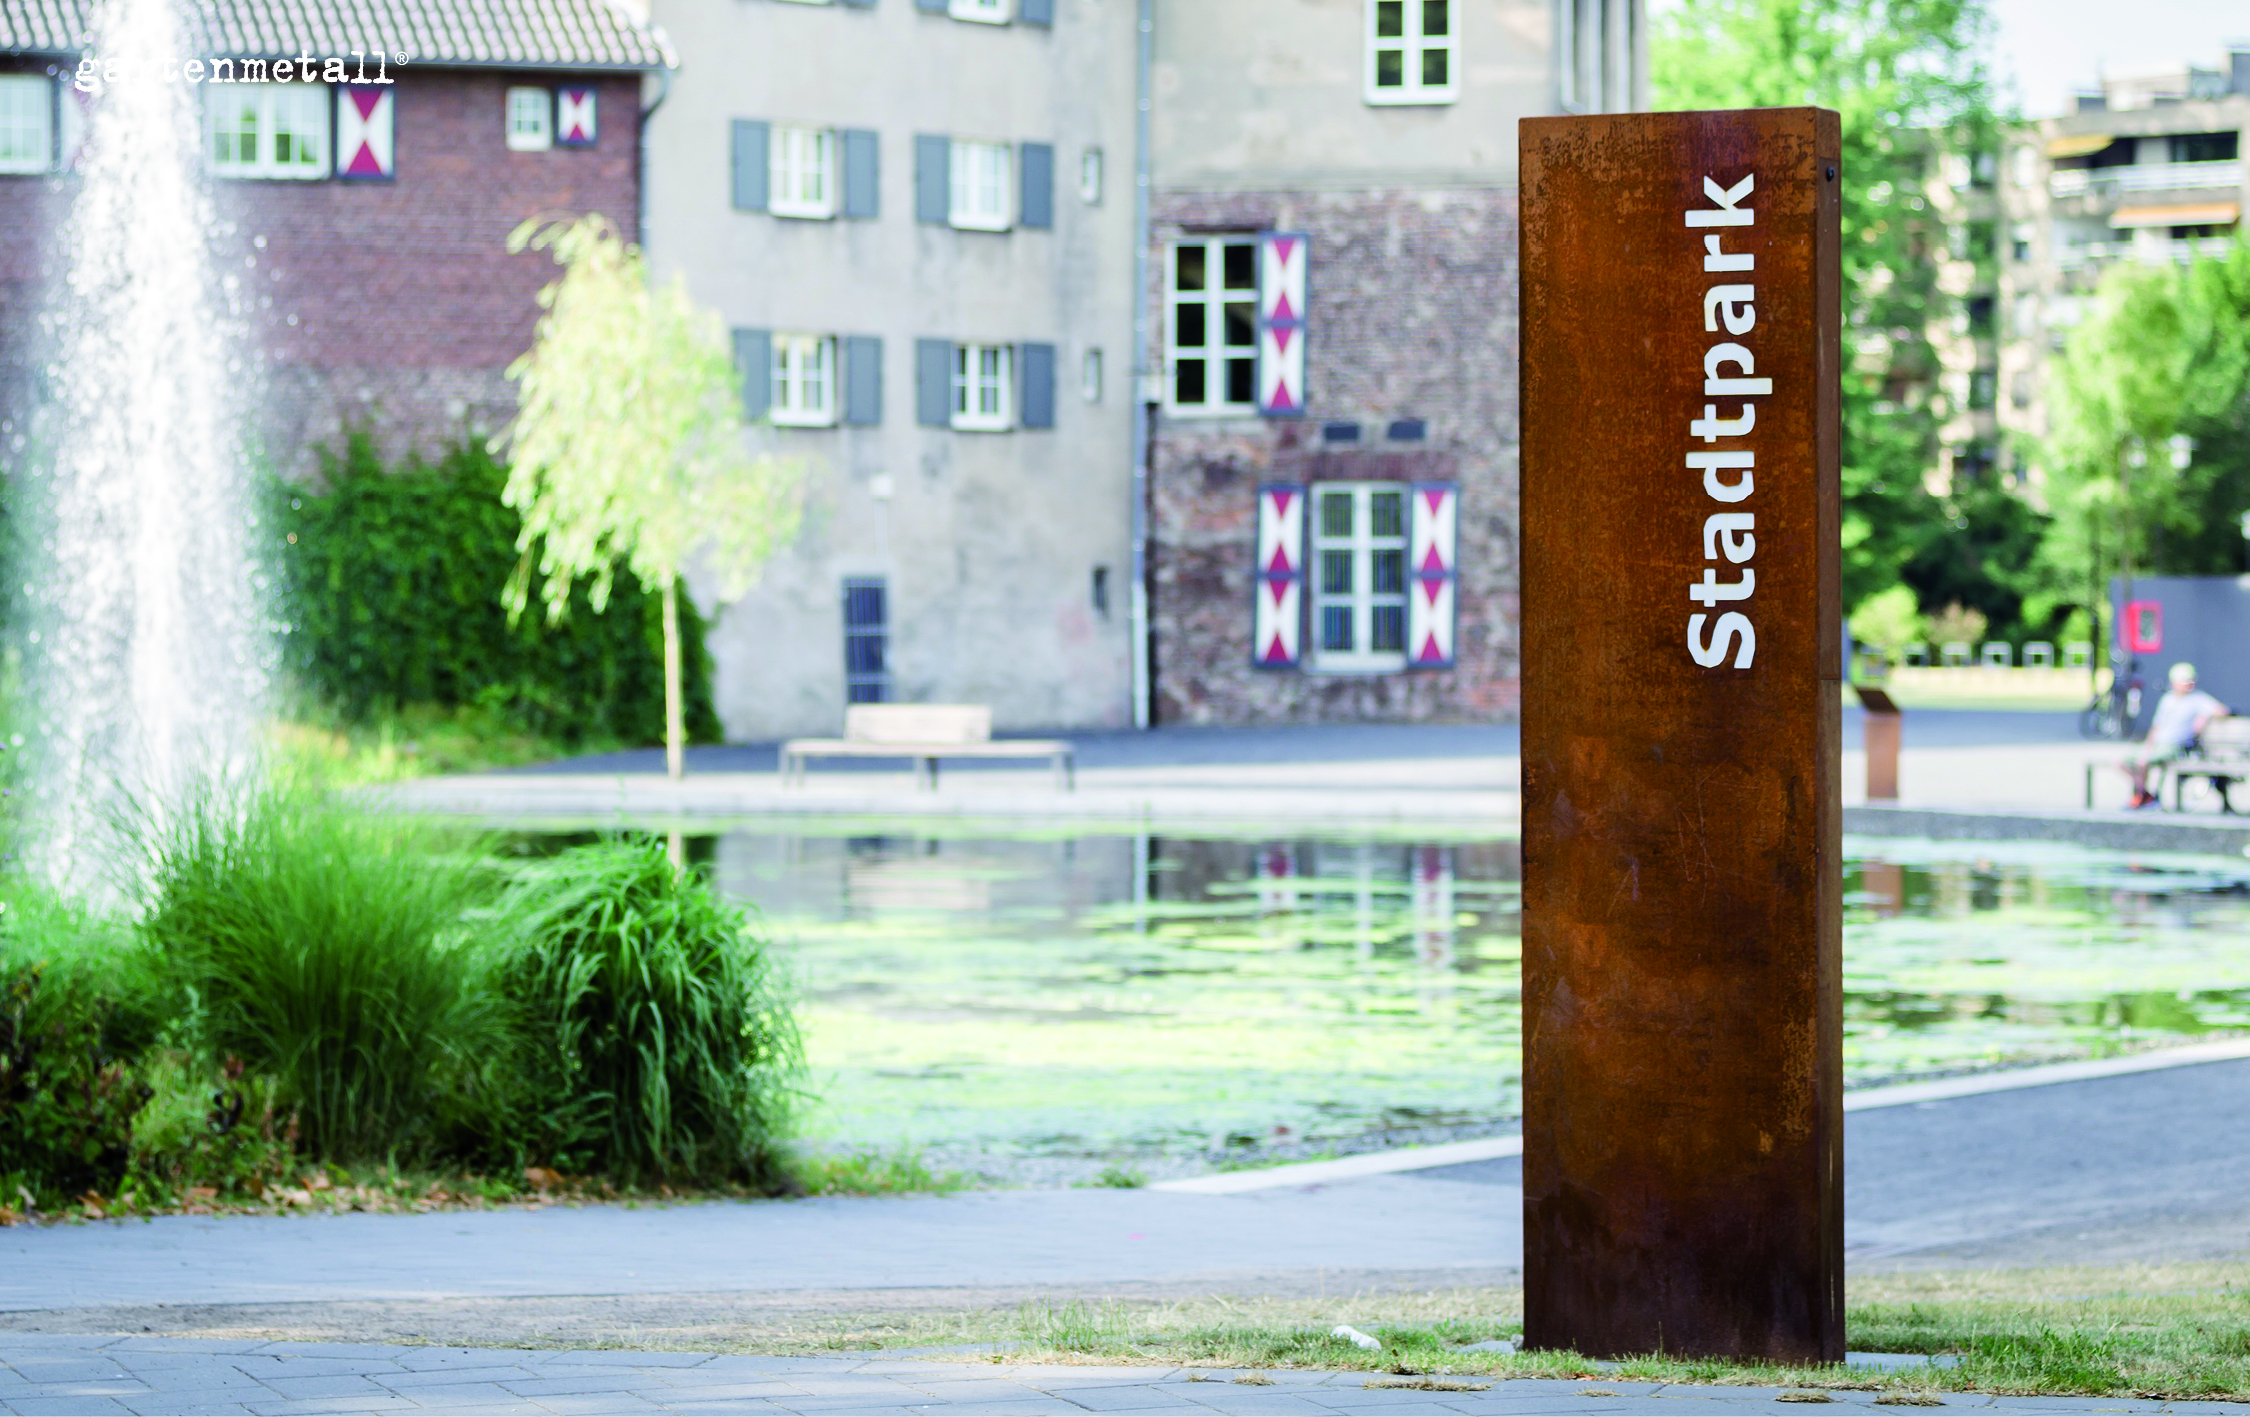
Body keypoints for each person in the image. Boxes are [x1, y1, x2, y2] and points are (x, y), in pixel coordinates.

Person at [2122, 662, 2228, 809]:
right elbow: (2156, 727)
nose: (2189, 684)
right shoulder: (2168, 699)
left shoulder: (2198, 699)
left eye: (2190, 681)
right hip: (2159, 744)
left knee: (2142, 762)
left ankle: (2144, 796)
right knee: (2122, 762)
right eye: (2185, 681)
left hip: (2175, 746)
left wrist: (2205, 716)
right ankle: (2145, 794)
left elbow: (2221, 710)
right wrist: (2148, 745)